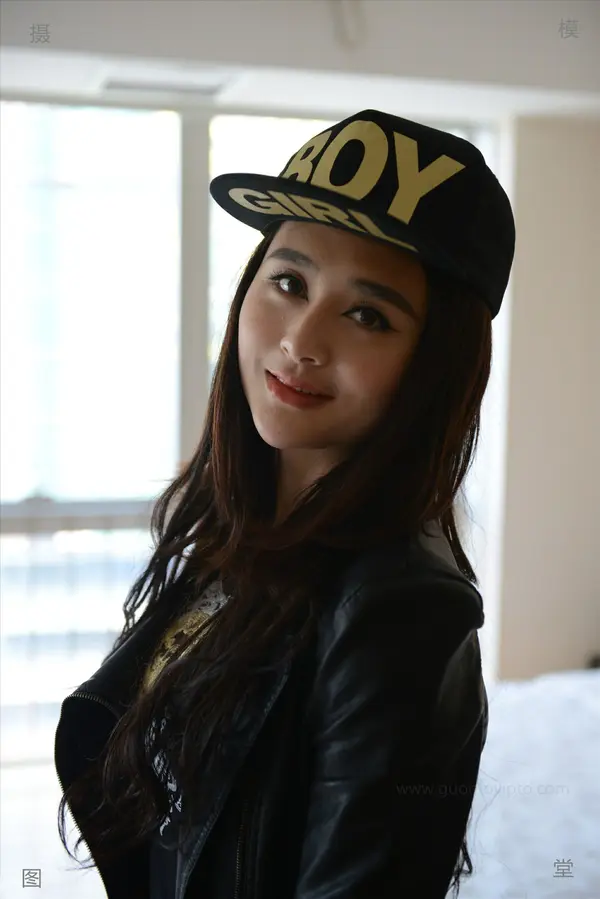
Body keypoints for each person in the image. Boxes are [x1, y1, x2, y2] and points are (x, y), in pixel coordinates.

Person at [54, 108, 515, 899]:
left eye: (367, 314)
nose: (301, 340)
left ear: (434, 366)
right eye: (290, 282)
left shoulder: (402, 608)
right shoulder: (245, 533)